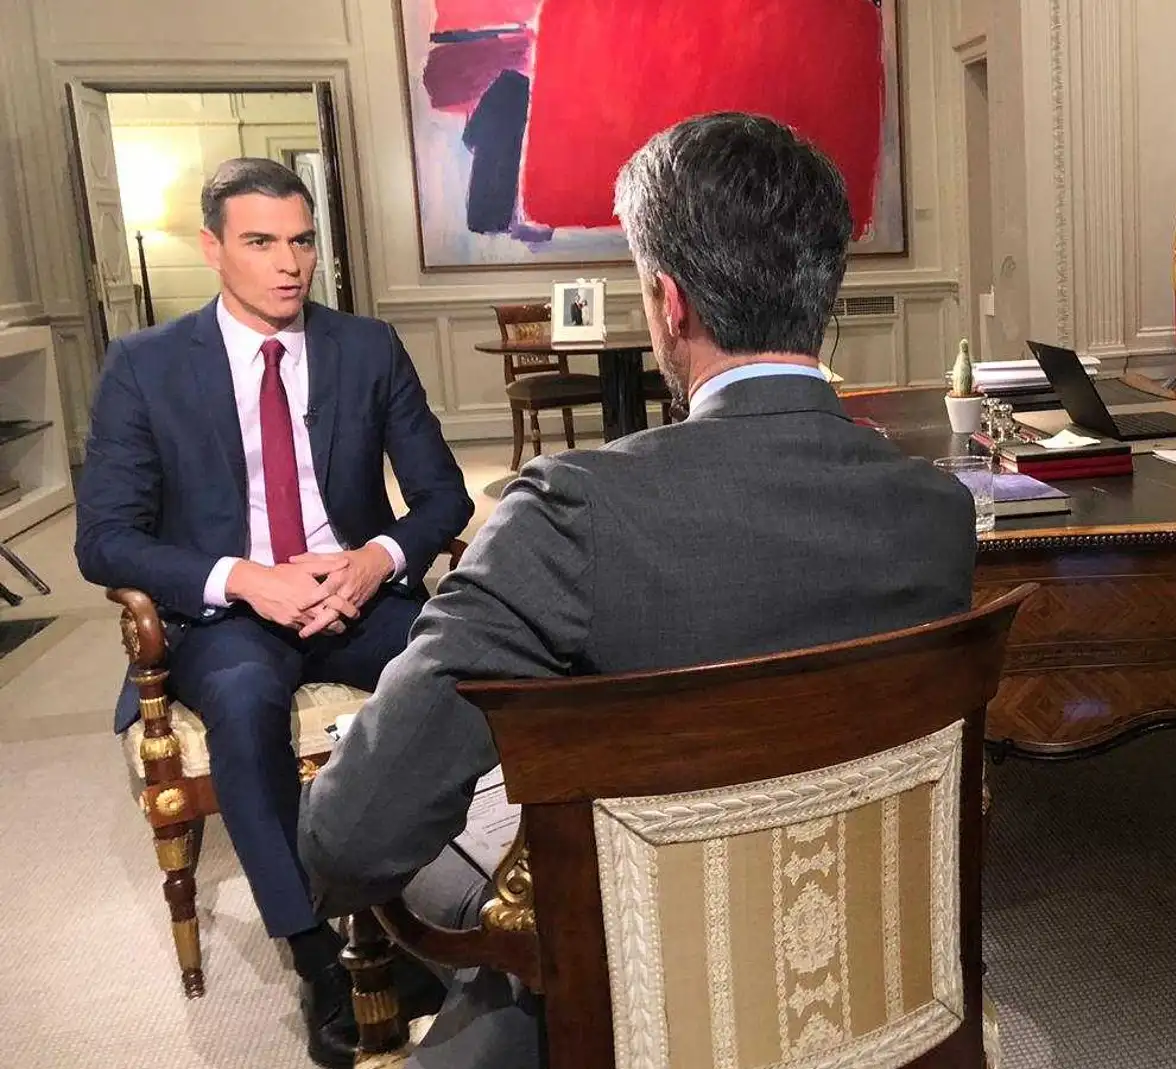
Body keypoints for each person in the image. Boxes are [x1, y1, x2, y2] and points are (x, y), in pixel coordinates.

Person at [299, 112, 977, 1068]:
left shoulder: (569, 514)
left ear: (668, 302)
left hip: (652, 1006)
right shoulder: (936, 510)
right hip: (875, 983)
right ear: (824, 290)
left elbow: (351, 835)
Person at [75, 158, 474, 1068]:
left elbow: (443, 498)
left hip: (354, 592)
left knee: (470, 669)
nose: (288, 263)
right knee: (249, 703)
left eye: (301, 241)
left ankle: (442, 901)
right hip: (229, 615)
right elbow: (105, 539)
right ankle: (317, 959)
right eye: (261, 241)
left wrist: (375, 559)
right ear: (214, 248)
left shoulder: (366, 346)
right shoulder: (144, 366)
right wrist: (242, 577)